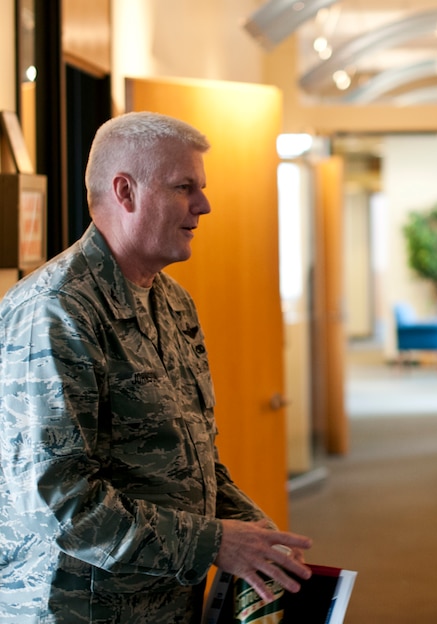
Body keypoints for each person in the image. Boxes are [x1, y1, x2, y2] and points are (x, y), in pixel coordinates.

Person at [0, 112, 313, 623]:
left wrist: (254, 532)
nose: (204, 206)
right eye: (184, 187)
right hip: (78, 608)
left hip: (164, 602)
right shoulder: (56, 310)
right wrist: (214, 542)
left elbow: (191, 460)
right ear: (125, 192)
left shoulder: (172, 302)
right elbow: (57, 499)